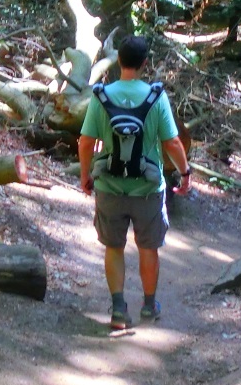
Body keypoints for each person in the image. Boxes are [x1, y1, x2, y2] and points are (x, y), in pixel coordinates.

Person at [78, 35, 189, 331]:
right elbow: (172, 142)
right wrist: (185, 172)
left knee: (113, 248)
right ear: (144, 63)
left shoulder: (101, 95)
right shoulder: (156, 96)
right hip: (147, 190)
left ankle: (117, 309)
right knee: (148, 248)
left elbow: (87, 141)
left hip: (109, 188)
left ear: (118, 62)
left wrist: (86, 174)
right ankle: (149, 306)